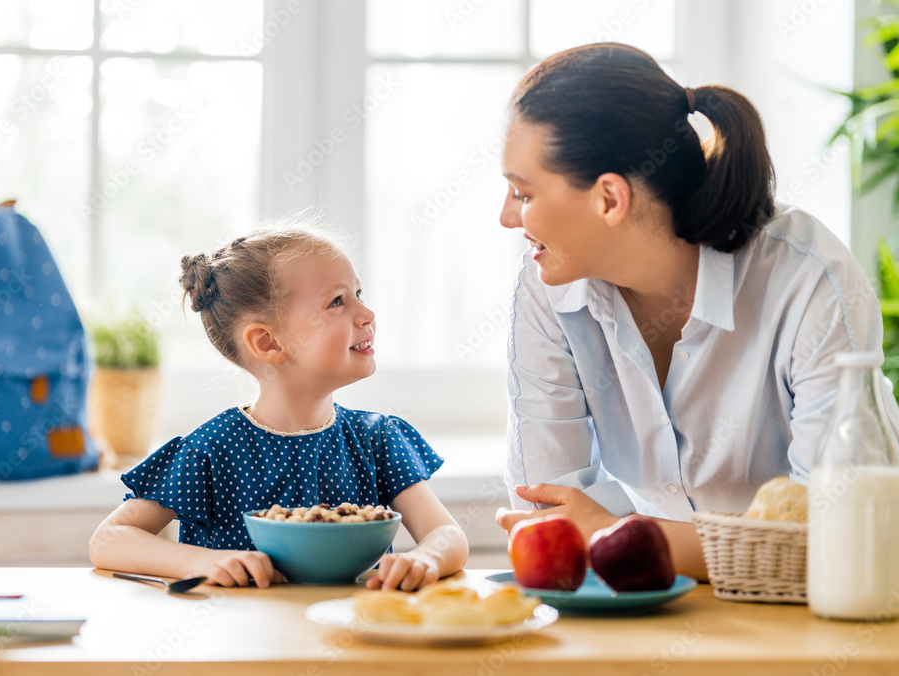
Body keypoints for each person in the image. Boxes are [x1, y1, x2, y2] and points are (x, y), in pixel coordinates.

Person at [493, 43, 891, 581]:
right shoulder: (546, 286)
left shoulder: (808, 278)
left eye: (522, 193)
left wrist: (616, 533)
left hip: (800, 619)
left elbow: (838, 537)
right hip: (640, 605)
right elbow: (546, 516)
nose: (506, 218)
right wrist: (612, 534)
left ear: (610, 199)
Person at [89, 226, 469, 590]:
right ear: (268, 343)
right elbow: (109, 540)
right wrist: (200, 562)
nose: (367, 313)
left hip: (354, 644)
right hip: (246, 648)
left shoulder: (376, 440)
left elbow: (447, 535)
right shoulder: (212, 449)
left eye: (358, 293)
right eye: (337, 301)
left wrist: (426, 559)